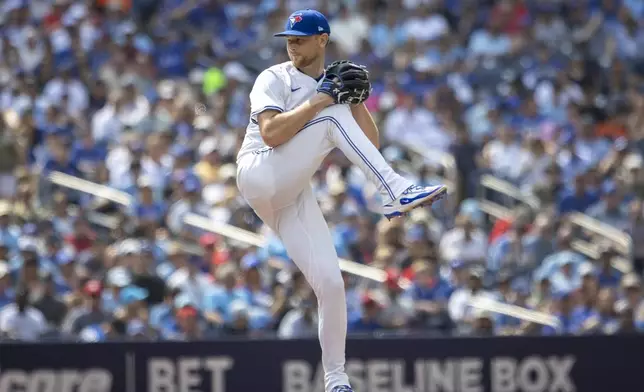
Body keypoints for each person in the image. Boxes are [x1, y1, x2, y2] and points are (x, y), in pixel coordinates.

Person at [235, 10, 447, 392]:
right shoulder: (274, 77)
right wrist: (322, 100)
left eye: (300, 38)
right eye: (289, 38)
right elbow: (269, 133)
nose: (292, 44)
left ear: (322, 40)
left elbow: (371, 146)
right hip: (258, 172)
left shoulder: (330, 84)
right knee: (331, 116)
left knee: (331, 285)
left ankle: (336, 378)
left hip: (291, 194)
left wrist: (358, 101)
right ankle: (394, 191)